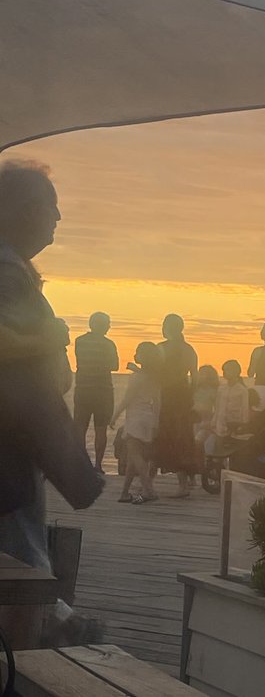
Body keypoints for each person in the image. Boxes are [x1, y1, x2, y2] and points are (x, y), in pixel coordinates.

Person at [0, 162, 103, 572]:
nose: (58, 216)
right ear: (21, 209)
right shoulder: (7, 271)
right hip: (9, 448)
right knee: (25, 570)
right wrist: (52, 336)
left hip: (15, 446)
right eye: (50, 205)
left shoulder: (13, 267)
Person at [111, 342, 163, 504]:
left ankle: (149, 489)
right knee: (134, 460)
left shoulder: (136, 377)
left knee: (135, 455)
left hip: (135, 418)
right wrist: (156, 421)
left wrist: (115, 415)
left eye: (138, 352)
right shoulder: (154, 377)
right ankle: (124, 492)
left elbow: (128, 398)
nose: (135, 355)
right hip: (148, 417)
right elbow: (158, 402)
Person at [156, 314, 199, 498]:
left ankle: (182, 485)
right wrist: (191, 397)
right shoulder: (189, 349)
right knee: (184, 438)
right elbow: (195, 378)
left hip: (167, 397)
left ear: (168, 327)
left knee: (170, 438)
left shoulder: (162, 348)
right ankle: (190, 479)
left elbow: (153, 374)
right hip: (183, 396)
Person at [73, 311, 119, 471]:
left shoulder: (80, 341)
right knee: (101, 429)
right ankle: (98, 465)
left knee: (80, 428)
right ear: (102, 326)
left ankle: (80, 463)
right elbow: (115, 365)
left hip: (82, 389)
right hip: (103, 391)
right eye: (107, 323)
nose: (109, 326)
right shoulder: (108, 344)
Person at [213, 360, 250, 439]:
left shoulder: (242, 390)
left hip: (234, 423)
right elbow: (217, 406)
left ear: (236, 372)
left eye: (227, 370)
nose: (224, 373)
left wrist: (244, 425)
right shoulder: (221, 389)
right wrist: (214, 421)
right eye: (224, 370)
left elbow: (245, 408)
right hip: (221, 423)